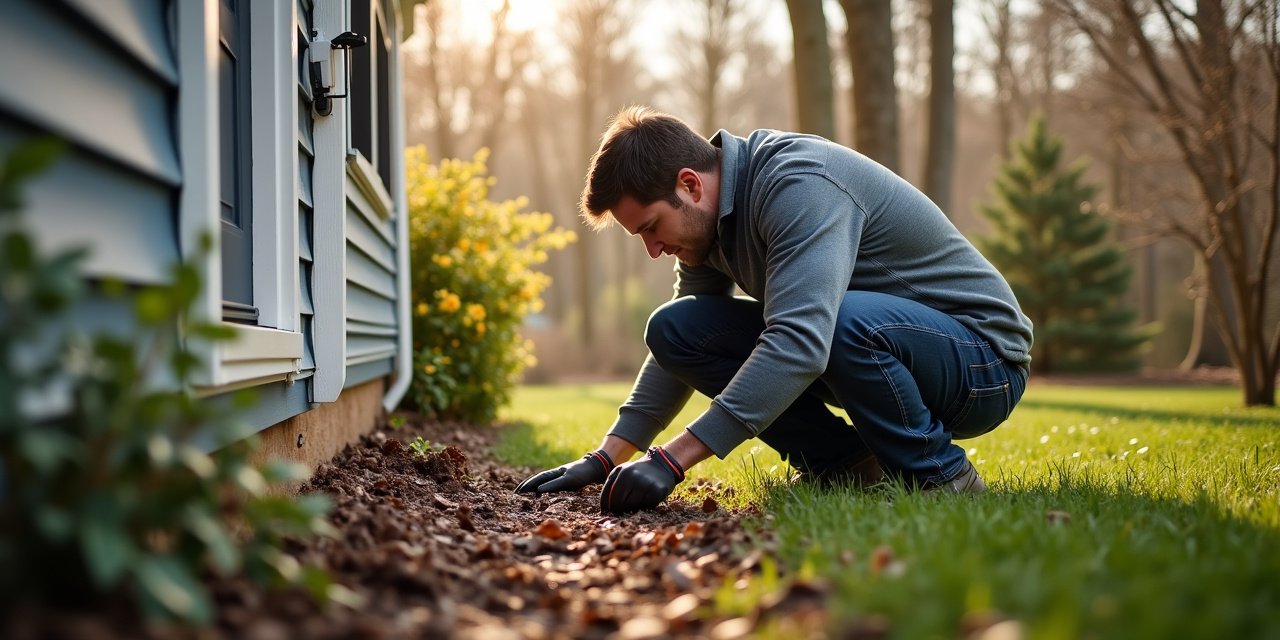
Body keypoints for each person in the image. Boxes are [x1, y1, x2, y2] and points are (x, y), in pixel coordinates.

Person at [515, 106, 1032, 513]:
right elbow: (679, 345)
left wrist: (673, 460)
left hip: (981, 364)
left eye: (651, 227)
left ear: (690, 184)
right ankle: (849, 465)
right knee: (677, 328)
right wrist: (606, 457)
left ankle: (942, 478)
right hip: (878, 353)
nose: (652, 248)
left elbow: (800, 343)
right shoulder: (710, 227)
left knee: (836, 321)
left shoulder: (797, 184)